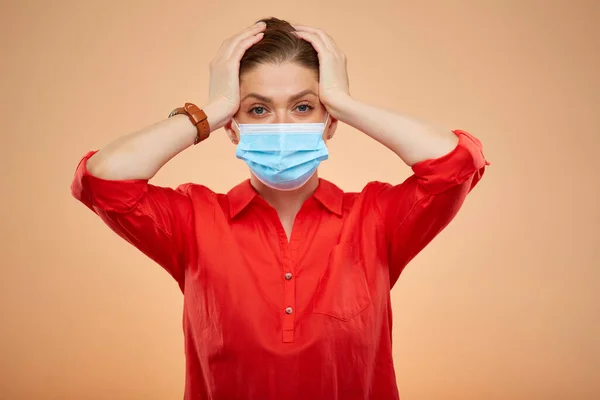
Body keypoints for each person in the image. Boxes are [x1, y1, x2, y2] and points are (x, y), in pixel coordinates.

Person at [71, 17, 488, 400]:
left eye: (304, 106)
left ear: (331, 121)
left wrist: (344, 100)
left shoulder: (377, 218)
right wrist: (213, 108)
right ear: (232, 128)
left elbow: (456, 164)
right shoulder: (192, 220)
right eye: (258, 109)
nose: (283, 125)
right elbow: (102, 179)